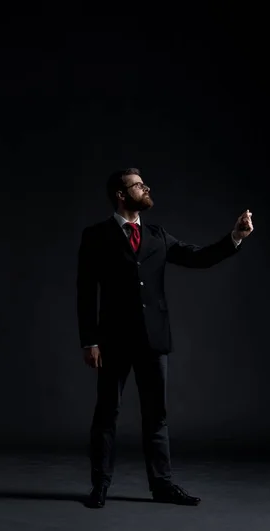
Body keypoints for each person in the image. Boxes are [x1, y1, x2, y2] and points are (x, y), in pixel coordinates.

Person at [76, 168, 254, 508]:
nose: (145, 188)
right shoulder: (96, 236)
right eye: (138, 185)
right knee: (106, 415)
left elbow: (197, 257)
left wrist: (235, 237)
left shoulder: (157, 235)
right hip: (113, 341)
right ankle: (100, 485)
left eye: (143, 184)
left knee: (156, 415)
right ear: (120, 194)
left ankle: (162, 486)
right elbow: (85, 292)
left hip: (153, 341)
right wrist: (90, 341)